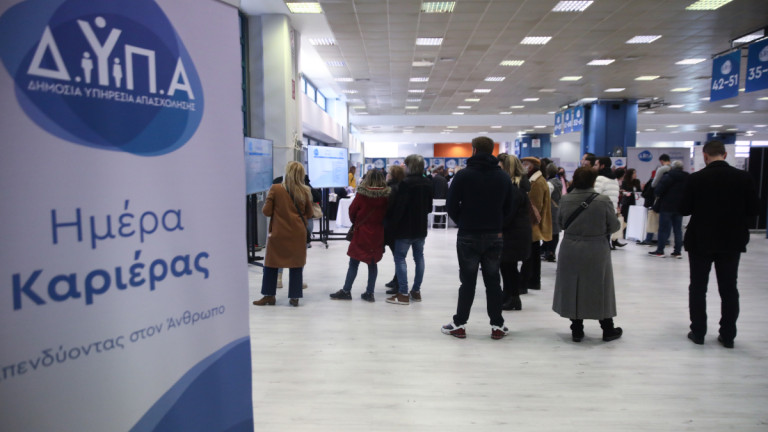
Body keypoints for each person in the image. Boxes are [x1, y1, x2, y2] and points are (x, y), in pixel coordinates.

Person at [680, 140, 759, 348]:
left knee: (698, 287)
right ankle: (728, 335)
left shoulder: (695, 179)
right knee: (729, 288)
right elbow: (753, 210)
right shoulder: (744, 178)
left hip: (700, 240)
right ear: (725, 155)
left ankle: (698, 332)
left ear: (705, 156)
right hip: (731, 240)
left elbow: (684, 209)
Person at [442, 137, 514, 339]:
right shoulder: (503, 177)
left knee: (467, 281)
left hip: (468, 234)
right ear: (491, 151)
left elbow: (451, 204)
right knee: (493, 281)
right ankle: (497, 325)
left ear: (473, 150)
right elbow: (510, 206)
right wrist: (498, 224)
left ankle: (459, 324)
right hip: (494, 235)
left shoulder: (464, 175)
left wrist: (463, 221)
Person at [552, 167, 623, 342]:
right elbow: (614, 226)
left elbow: (560, 223)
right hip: (596, 248)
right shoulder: (603, 200)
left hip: (570, 248)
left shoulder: (565, 199)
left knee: (572, 286)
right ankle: (607, 328)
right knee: (600, 286)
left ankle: (576, 329)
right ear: (593, 181)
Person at [253, 161, 314, 307]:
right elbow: (310, 213)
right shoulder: (305, 191)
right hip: (298, 234)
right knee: (296, 265)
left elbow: (266, 211)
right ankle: (294, 297)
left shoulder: (275, 188)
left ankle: (269, 296)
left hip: (278, 234)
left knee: (271, 265)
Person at [330, 169, 391, 302]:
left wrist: (357, 223)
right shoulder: (386, 196)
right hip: (378, 233)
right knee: (372, 263)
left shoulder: (362, 195)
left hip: (361, 232)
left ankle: (346, 291)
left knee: (354, 262)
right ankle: (370, 293)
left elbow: (352, 211)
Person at [385, 154, 433, 305]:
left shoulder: (405, 183)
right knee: (419, 258)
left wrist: (392, 226)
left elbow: (400, 208)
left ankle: (403, 293)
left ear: (410, 166)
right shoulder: (427, 182)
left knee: (400, 258)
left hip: (405, 228)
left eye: (405, 165)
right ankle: (416, 291)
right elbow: (429, 208)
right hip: (421, 228)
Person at [497, 153, 531, 311]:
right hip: (515, 232)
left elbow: (509, 213)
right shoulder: (516, 186)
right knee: (506, 266)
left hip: (513, 233)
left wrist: (498, 226)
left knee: (509, 266)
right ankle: (508, 295)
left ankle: (513, 297)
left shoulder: (515, 189)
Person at [519, 156, 551, 291]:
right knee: (532, 254)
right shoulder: (535, 180)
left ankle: (528, 281)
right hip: (532, 224)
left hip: (533, 224)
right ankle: (532, 281)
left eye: (524, 164)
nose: (522, 166)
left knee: (530, 255)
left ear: (531, 166)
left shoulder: (536, 182)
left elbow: (535, 207)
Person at [648, 160, 689, 258]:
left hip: (666, 206)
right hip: (680, 207)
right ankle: (677, 252)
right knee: (678, 230)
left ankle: (660, 251)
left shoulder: (668, 176)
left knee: (663, 229)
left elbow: (658, 190)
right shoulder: (687, 177)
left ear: (672, 167)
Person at [384, 165, 406, 293]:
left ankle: (399, 284)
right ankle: (396, 279)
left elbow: (388, 208)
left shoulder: (392, 189)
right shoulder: (402, 187)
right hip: (399, 226)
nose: (387, 175)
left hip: (392, 226)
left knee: (398, 257)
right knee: (397, 255)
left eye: (389, 173)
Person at [594, 156, 624, 249]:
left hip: (600, 213)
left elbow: (594, 195)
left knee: (597, 241)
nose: (594, 167)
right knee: (606, 240)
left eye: (596, 165)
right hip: (611, 212)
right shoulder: (614, 179)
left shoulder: (600, 178)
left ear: (602, 166)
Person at [542, 163, 562, 262]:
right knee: (555, 232)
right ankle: (551, 251)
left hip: (550, 209)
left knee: (549, 232)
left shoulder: (549, 184)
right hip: (557, 208)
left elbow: (546, 197)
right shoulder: (559, 182)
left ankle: (549, 251)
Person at [619, 168, 642, 238]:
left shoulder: (637, 181)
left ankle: (633, 233)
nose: (635, 174)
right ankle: (624, 233)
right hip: (627, 202)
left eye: (635, 173)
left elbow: (639, 191)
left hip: (635, 202)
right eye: (633, 173)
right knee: (625, 218)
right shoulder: (625, 182)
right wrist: (629, 193)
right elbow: (624, 191)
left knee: (633, 219)